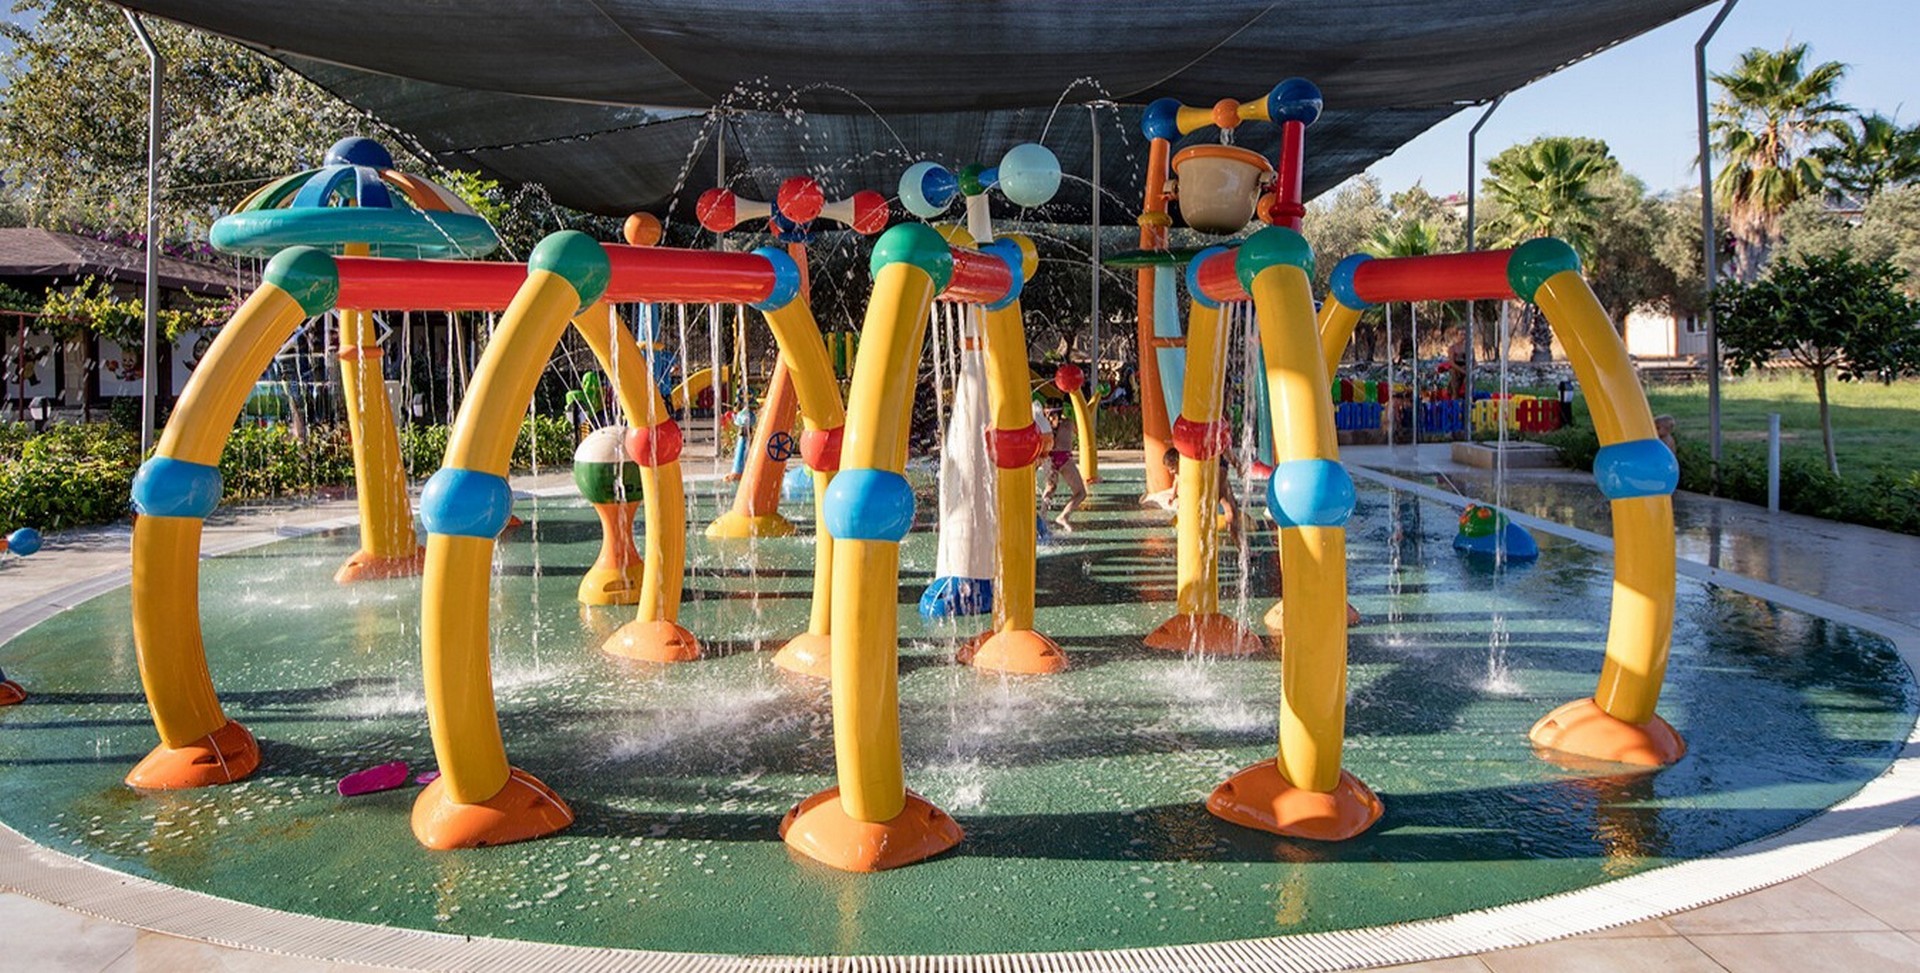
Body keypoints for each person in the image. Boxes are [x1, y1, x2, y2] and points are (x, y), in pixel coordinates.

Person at [1141, 446, 1241, 545]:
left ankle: (1238, 542)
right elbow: (1177, 481)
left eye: (1172, 468)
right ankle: (1239, 544)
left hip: (1214, 470)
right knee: (1229, 509)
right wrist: (1173, 496)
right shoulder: (1184, 470)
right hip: (1214, 468)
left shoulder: (1188, 466)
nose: (1171, 472)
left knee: (1228, 508)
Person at [1038, 401, 1087, 531]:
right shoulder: (1068, 423)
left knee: (1050, 487)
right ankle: (1064, 516)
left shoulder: (1044, 426)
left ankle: (1042, 515)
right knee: (1081, 493)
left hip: (1049, 458)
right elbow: (1079, 431)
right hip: (1064, 458)